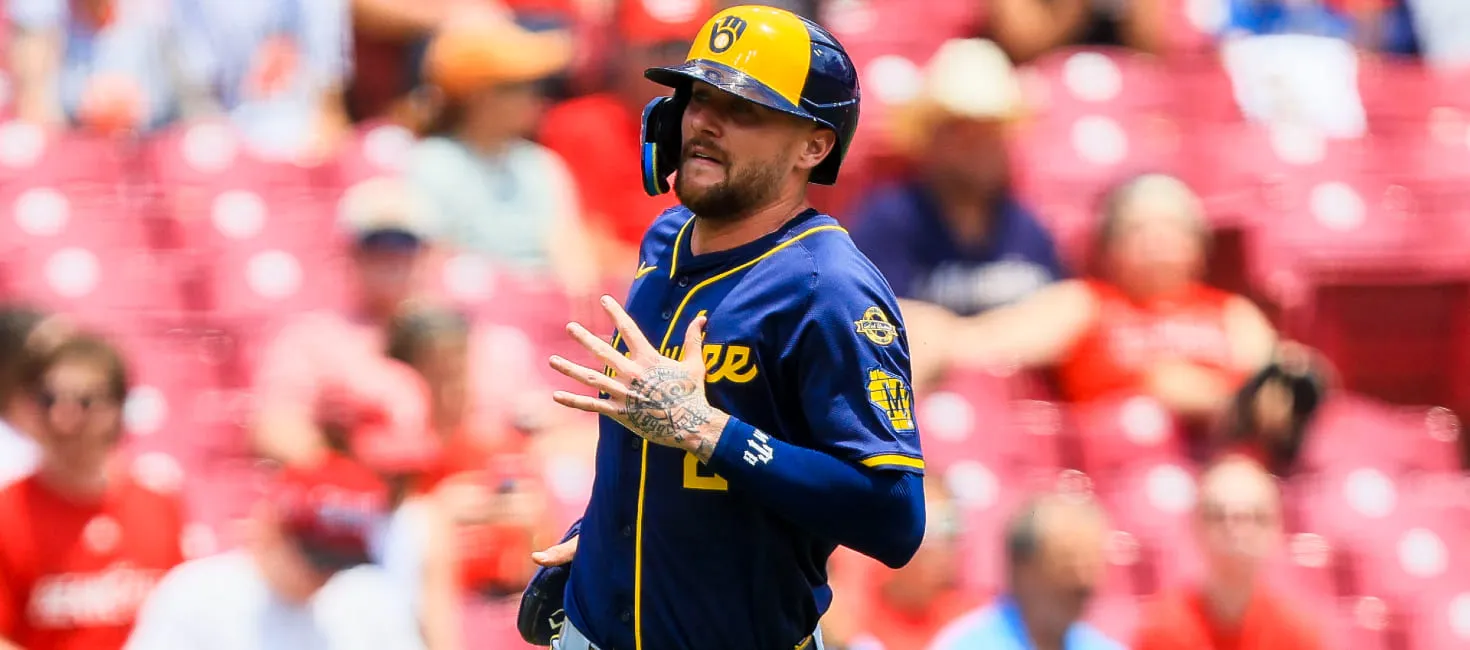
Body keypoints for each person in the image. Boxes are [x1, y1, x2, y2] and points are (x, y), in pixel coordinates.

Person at [526, 6, 927, 650]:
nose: (704, 122)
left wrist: (707, 429)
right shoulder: (665, 240)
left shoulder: (828, 286)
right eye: (698, 97)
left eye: (743, 109)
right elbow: (657, 452)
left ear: (814, 146)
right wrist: (604, 541)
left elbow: (895, 516)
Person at [906, 174, 1279, 423]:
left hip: (1223, 469)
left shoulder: (1234, 315)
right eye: (1138, 228)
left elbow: (1280, 399)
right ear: (1109, 246)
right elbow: (973, 341)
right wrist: (915, 325)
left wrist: (1204, 397)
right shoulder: (1082, 304)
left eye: (1172, 227)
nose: (1157, 241)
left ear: (1200, 244)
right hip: (1109, 474)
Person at [849, 38, 1066, 317]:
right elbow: (869, 317)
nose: (980, 145)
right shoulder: (890, 221)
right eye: (962, 130)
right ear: (931, 138)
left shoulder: (1025, 224)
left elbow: (1065, 306)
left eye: (991, 130)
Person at [124, 454, 426, 650]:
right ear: (273, 527)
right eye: (315, 558)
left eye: (337, 562)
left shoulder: (372, 600)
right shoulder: (198, 594)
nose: (324, 575)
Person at [0, 334, 185, 650]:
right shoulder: (8, 513)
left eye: (84, 402)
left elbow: (185, 624)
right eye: (48, 400)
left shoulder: (160, 506)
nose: (63, 418)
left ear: (117, 408)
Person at [407, 14, 599, 298]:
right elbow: (430, 268)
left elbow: (572, 261)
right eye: (518, 86)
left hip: (542, 309)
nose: (536, 97)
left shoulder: (540, 164)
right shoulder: (431, 163)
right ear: (478, 96)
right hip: (470, 308)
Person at [251, 176, 432, 466]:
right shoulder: (312, 338)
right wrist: (341, 474)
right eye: (377, 246)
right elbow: (276, 427)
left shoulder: (459, 335)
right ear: (350, 252)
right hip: (349, 483)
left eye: (404, 245)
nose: (392, 259)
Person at [1132, 456, 1326, 649]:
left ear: (1277, 527)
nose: (1236, 530)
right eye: (1219, 516)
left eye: (1255, 517)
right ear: (1195, 525)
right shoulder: (1162, 630)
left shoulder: (1297, 634)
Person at [927, 492, 1125, 650]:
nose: (1082, 582)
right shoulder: (966, 645)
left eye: (1090, 564)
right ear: (1022, 568)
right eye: (1068, 564)